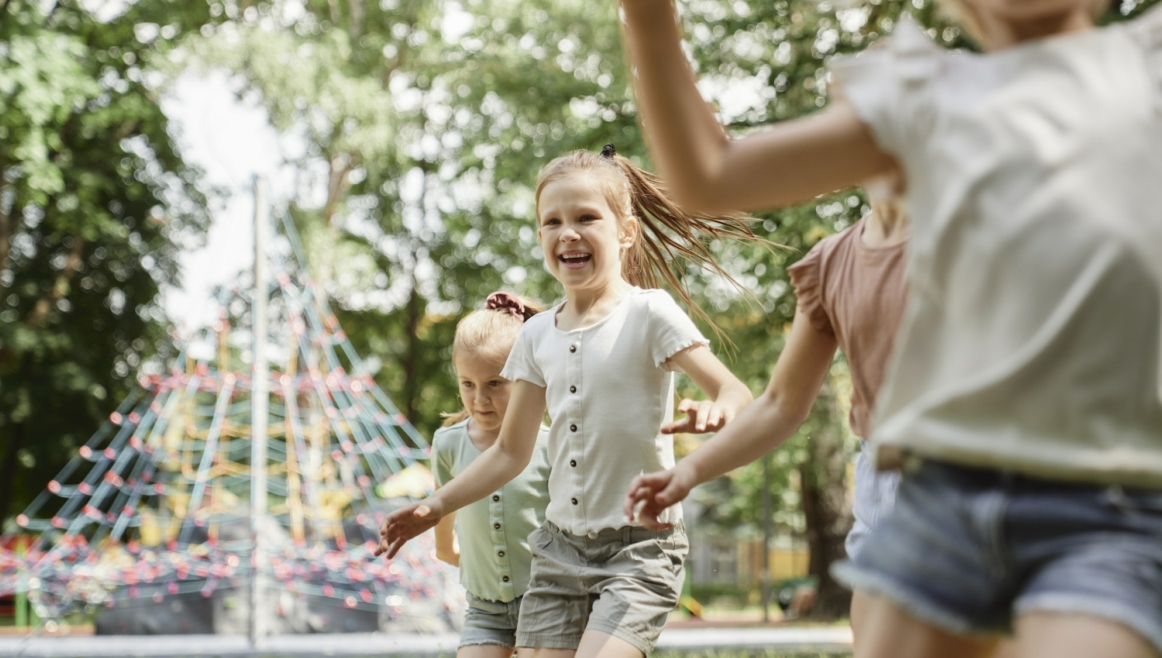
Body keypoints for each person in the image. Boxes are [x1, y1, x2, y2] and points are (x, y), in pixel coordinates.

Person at [616, 1, 1162, 657]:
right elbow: (708, 178)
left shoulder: (1144, 60)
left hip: (1101, 501)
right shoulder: (931, 100)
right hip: (939, 495)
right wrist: (648, 20)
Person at [378, 145, 756, 658]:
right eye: (552, 221)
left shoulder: (649, 314)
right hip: (558, 553)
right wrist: (435, 506)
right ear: (539, 236)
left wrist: (720, 408)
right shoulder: (535, 336)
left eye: (585, 217)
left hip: (639, 549)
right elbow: (510, 453)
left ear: (626, 232)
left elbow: (735, 391)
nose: (567, 232)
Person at [624, 168, 908, 643]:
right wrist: (689, 474)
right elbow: (779, 403)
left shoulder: (989, 227)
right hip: (889, 481)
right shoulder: (833, 263)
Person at [432, 292, 551, 658]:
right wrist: (454, 553)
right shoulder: (448, 445)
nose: (479, 399)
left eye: (495, 384)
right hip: (485, 609)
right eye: (468, 384)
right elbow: (442, 519)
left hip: (547, 603)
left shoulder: (552, 443)